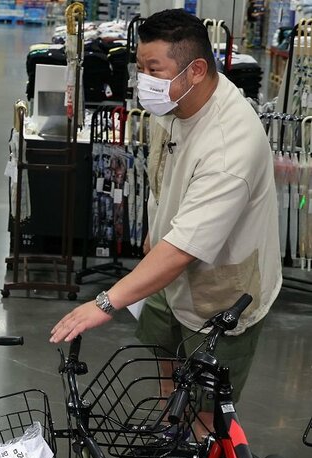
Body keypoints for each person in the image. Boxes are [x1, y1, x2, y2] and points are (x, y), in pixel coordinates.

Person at [50, 9, 282, 435]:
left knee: (208, 409)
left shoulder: (230, 147)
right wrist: (152, 234)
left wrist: (105, 303)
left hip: (221, 292)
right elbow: (163, 182)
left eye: (153, 69)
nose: (143, 81)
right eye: (140, 67)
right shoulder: (175, 103)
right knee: (166, 368)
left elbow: (185, 250)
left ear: (195, 70)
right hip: (166, 270)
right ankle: (173, 444)